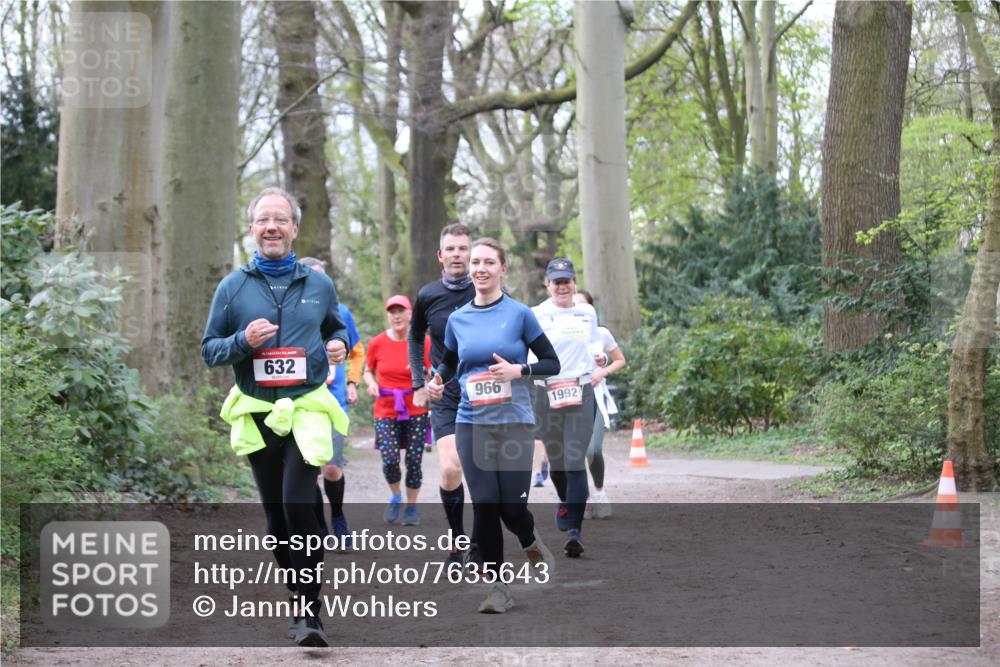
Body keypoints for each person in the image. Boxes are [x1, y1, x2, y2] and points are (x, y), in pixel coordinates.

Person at [202, 187, 346, 647]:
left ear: (295, 228)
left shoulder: (319, 284)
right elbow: (209, 350)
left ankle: (310, 613)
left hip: (304, 410)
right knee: (276, 518)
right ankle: (296, 587)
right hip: (258, 412)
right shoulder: (233, 287)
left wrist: (340, 344)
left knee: (298, 505)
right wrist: (243, 341)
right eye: (263, 220)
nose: (271, 227)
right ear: (251, 228)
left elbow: (335, 327)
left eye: (280, 220)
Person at [426, 238, 559, 614]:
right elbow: (451, 363)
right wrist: (438, 381)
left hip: (514, 423)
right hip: (472, 422)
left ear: (503, 269)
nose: (480, 268)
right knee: (484, 504)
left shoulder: (520, 315)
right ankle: (498, 588)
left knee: (511, 510)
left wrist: (520, 370)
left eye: (488, 262)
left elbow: (552, 362)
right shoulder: (458, 319)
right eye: (475, 262)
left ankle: (530, 540)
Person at [408, 223, 477, 566]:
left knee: (481, 469)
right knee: (451, 468)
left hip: (483, 390)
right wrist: (418, 383)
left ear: (471, 253)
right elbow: (415, 336)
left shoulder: (486, 291)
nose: (457, 255)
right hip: (445, 391)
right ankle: (456, 539)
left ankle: (482, 539)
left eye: (462, 248)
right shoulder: (428, 295)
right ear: (440, 255)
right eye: (450, 249)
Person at [531, 258, 601, 558]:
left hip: (581, 390)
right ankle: (566, 501)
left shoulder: (587, 312)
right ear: (547, 285)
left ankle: (574, 531)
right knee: (558, 461)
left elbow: (595, 347)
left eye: (567, 281)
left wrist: (602, 361)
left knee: (575, 458)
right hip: (546, 393)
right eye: (556, 282)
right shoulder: (535, 314)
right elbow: (527, 353)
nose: (562, 286)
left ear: (574, 283)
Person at [300, 256, 365, 549]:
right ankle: (319, 528)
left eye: (321, 279)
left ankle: (338, 517)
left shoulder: (342, 313)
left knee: (331, 469)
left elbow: (357, 350)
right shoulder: (291, 314)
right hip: (300, 402)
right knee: (308, 471)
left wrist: (352, 381)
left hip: (334, 400)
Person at [365, 295, 432, 526]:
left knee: (414, 460)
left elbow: (433, 371)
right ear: (388, 316)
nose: (396, 316)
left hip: (416, 409)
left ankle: (412, 508)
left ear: (410, 314)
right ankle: (395, 496)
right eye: (392, 312)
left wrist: (426, 375)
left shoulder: (424, 342)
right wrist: (371, 383)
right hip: (385, 409)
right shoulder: (377, 343)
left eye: (400, 311)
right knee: (390, 459)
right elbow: (367, 370)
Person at [574, 289, 626, 519]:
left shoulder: (601, 333)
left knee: (593, 450)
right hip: (565, 398)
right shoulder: (556, 333)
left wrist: (602, 370)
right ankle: (582, 499)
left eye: (583, 306)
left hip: (594, 398)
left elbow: (620, 360)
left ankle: (600, 491)